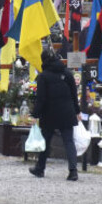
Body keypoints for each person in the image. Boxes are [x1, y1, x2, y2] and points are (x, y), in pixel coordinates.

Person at [29, 51, 80, 181]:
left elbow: (41, 99)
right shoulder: (67, 73)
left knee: (45, 141)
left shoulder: (43, 76)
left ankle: (40, 169)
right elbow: (74, 94)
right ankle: (73, 171)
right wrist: (77, 111)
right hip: (67, 112)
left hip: (49, 113)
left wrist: (35, 115)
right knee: (69, 141)